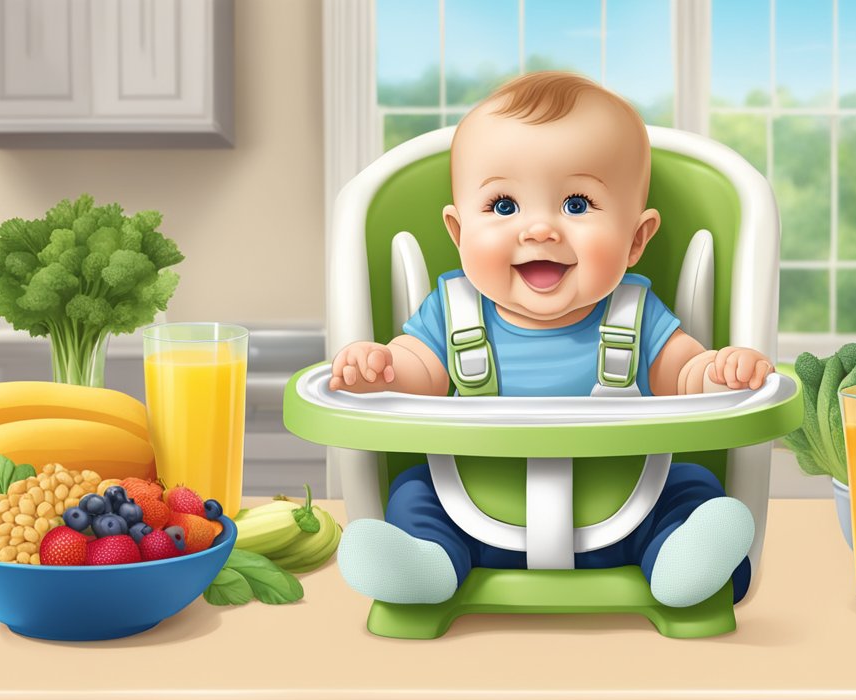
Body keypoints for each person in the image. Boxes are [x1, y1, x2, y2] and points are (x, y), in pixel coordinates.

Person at [331, 71, 773, 608]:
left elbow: (685, 376)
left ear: (636, 239)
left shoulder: (634, 314)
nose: (539, 230)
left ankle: (684, 564)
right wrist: (375, 368)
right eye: (504, 206)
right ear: (458, 233)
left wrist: (722, 371)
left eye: (577, 205)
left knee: (691, 486)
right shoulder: (452, 312)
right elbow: (414, 375)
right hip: (470, 506)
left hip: (630, 502)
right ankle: (425, 567)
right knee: (414, 494)